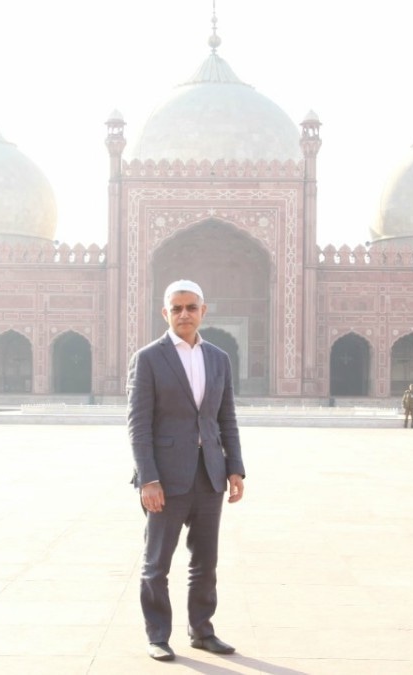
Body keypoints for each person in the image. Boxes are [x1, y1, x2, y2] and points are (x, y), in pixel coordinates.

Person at [128, 279, 246, 662]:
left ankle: (202, 630)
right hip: (164, 478)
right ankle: (158, 635)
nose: (183, 314)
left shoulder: (218, 358)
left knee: (205, 561)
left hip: (209, 474)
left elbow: (225, 418)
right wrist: (148, 478)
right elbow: (138, 424)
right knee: (157, 562)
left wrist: (235, 468)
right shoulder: (148, 358)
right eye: (176, 308)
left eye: (190, 307)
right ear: (165, 313)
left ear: (203, 311)